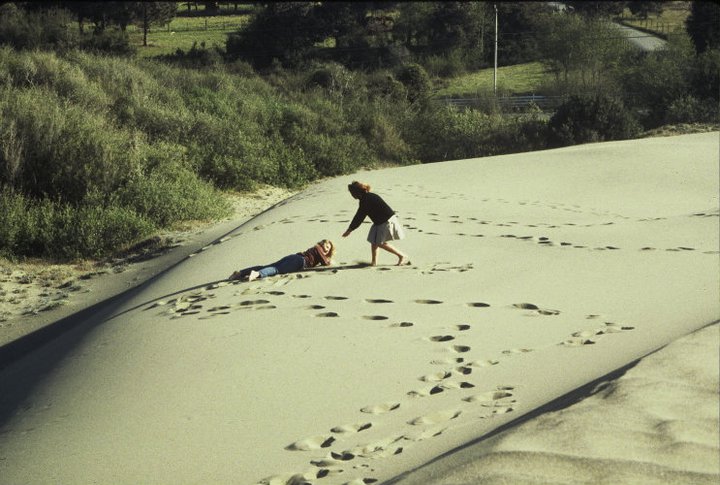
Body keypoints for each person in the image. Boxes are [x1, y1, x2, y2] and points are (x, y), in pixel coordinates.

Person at [342, 181, 409, 266]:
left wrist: (350, 230)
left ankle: (402, 256)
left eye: (352, 193)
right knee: (374, 240)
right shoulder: (367, 197)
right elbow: (360, 215)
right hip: (379, 221)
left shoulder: (366, 200)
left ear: (356, 192)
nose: (351, 195)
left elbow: (359, 216)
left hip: (386, 221)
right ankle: (374, 262)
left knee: (379, 243)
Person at [229, 239, 335, 281]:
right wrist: (330, 261)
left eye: (328, 249)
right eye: (326, 246)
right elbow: (326, 263)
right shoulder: (318, 248)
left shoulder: (316, 249)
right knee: (276, 270)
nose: (326, 250)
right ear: (321, 244)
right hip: (299, 261)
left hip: (294, 257)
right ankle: (256, 274)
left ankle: (240, 273)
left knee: (266, 266)